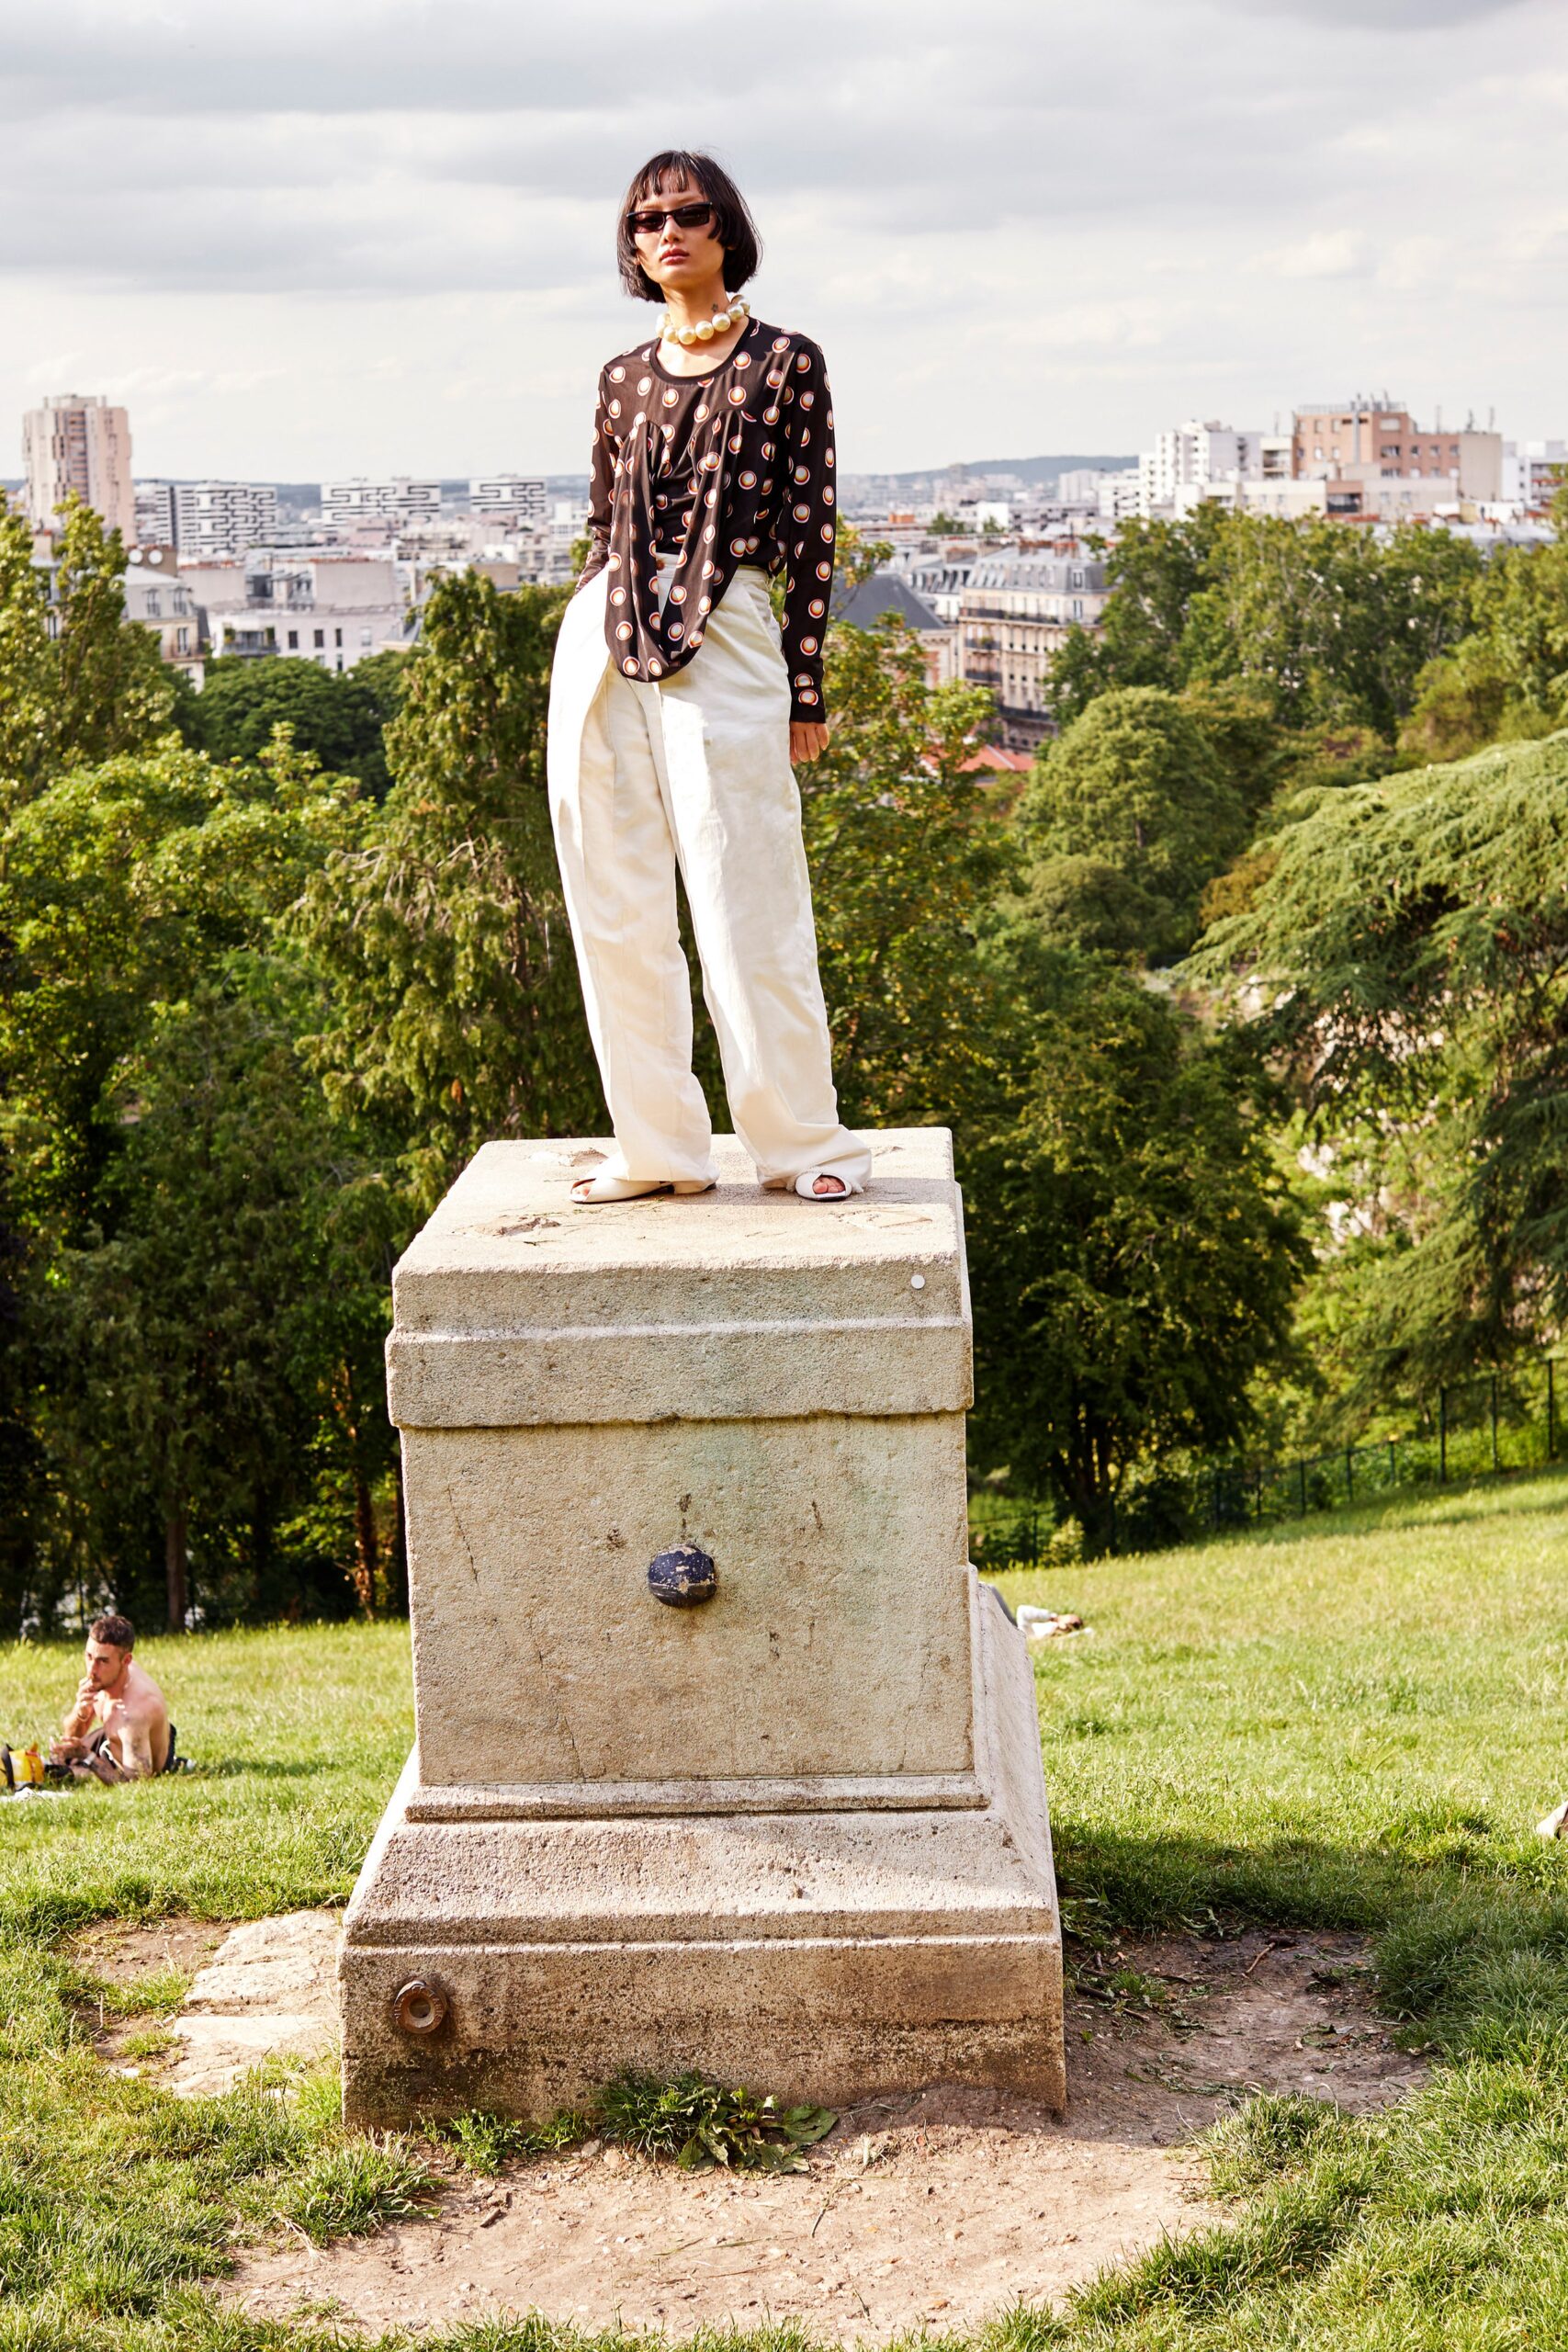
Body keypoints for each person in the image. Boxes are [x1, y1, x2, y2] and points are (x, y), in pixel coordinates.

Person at [547, 148, 871, 1208]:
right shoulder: (620, 379)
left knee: (749, 894)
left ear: (728, 230)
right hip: (605, 626)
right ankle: (658, 1150)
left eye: (689, 214)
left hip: (727, 627)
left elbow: (812, 530)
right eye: (647, 222)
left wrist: (807, 680)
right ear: (633, 248)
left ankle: (801, 1144)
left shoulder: (787, 363)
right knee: (612, 896)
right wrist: (585, 624)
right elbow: (606, 521)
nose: (667, 232)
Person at [49, 1612, 170, 1782]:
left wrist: (88, 1757)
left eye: (103, 1661)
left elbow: (137, 1783)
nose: (92, 1669)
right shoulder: (103, 1679)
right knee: (51, 1765)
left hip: (138, 1752)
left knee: (65, 1771)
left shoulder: (135, 1712)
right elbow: (71, 1736)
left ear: (126, 1661)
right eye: (89, 1657)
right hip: (112, 1744)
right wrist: (80, 1711)